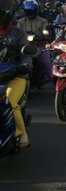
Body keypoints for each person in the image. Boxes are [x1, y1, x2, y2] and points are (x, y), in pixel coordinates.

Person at [0, 0, 33, 147]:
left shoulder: (18, 34)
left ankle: (22, 134)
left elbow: (26, 54)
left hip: (15, 76)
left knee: (10, 102)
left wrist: (25, 65)